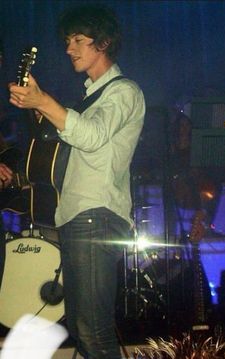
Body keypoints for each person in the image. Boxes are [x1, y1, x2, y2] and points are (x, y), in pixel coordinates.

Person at [9, 4, 145, 359]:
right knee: (84, 330)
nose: (69, 48)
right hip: (76, 216)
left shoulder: (123, 90)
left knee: (92, 330)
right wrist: (40, 109)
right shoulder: (91, 97)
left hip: (95, 216)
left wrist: (46, 102)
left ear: (103, 43)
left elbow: (93, 135)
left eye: (79, 40)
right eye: (68, 40)